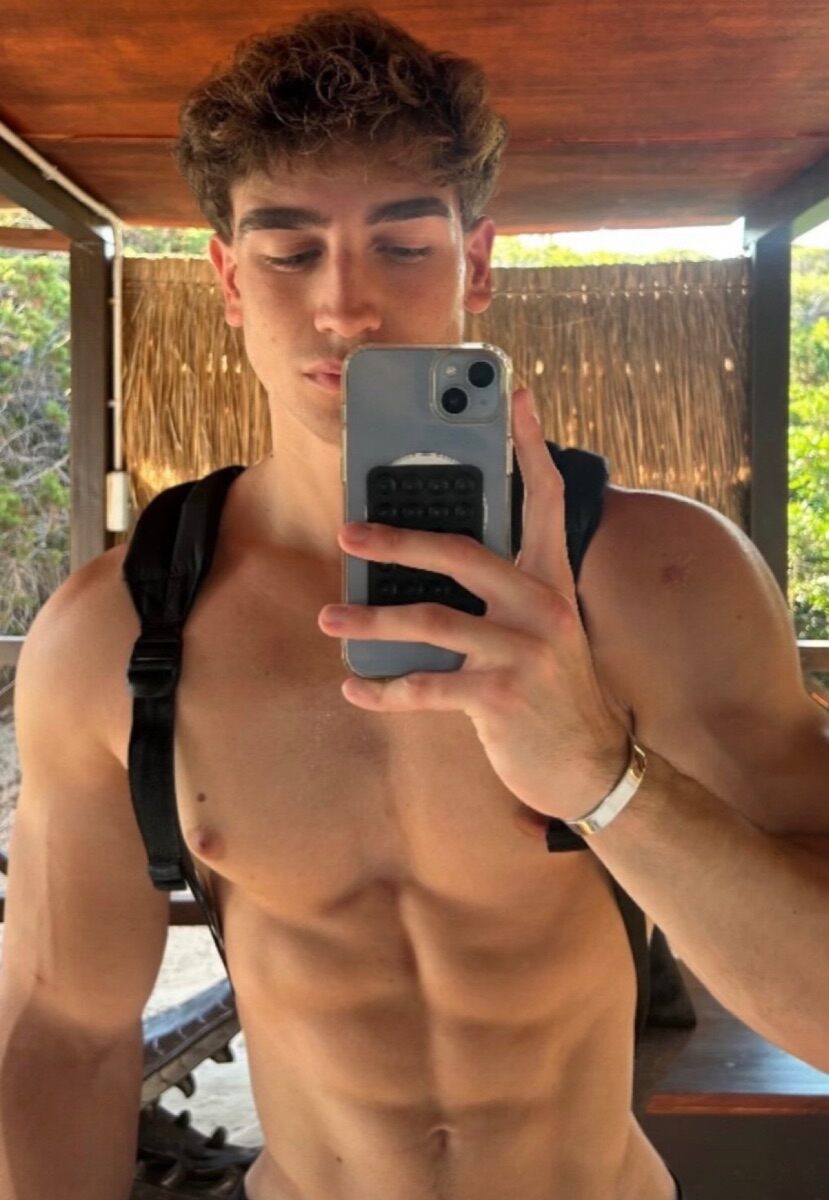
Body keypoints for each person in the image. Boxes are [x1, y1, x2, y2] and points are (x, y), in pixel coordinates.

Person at [2, 8, 828, 1200]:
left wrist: (604, 778)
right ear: (228, 278)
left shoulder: (660, 578)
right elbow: (64, 1033)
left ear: (474, 264)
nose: (347, 309)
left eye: (402, 244)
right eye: (289, 253)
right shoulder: (115, 637)